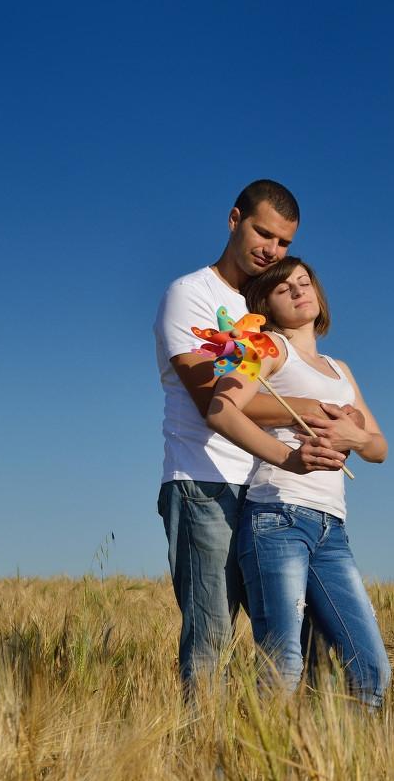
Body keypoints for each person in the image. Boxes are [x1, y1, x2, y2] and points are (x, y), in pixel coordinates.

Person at [152, 179, 367, 696]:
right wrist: (314, 411)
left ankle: (293, 763)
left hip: (270, 493)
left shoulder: (268, 305)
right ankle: (204, 763)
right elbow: (214, 402)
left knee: (304, 641)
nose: (272, 249)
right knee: (212, 637)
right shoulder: (191, 294)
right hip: (205, 482)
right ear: (234, 219)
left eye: (284, 242)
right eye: (263, 233)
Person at [204, 256, 391, 709]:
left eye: (304, 282)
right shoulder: (265, 348)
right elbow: (221, 408)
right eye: (283, 288)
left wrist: (355, 435)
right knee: (282, 666)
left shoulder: (340, 369)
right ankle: (253, 770)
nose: (298, 291)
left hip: (333, 528)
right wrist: (288, 457)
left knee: (371, 670)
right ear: (264, 303)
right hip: (278, 518)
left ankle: (343, 777)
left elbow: (379, 448)